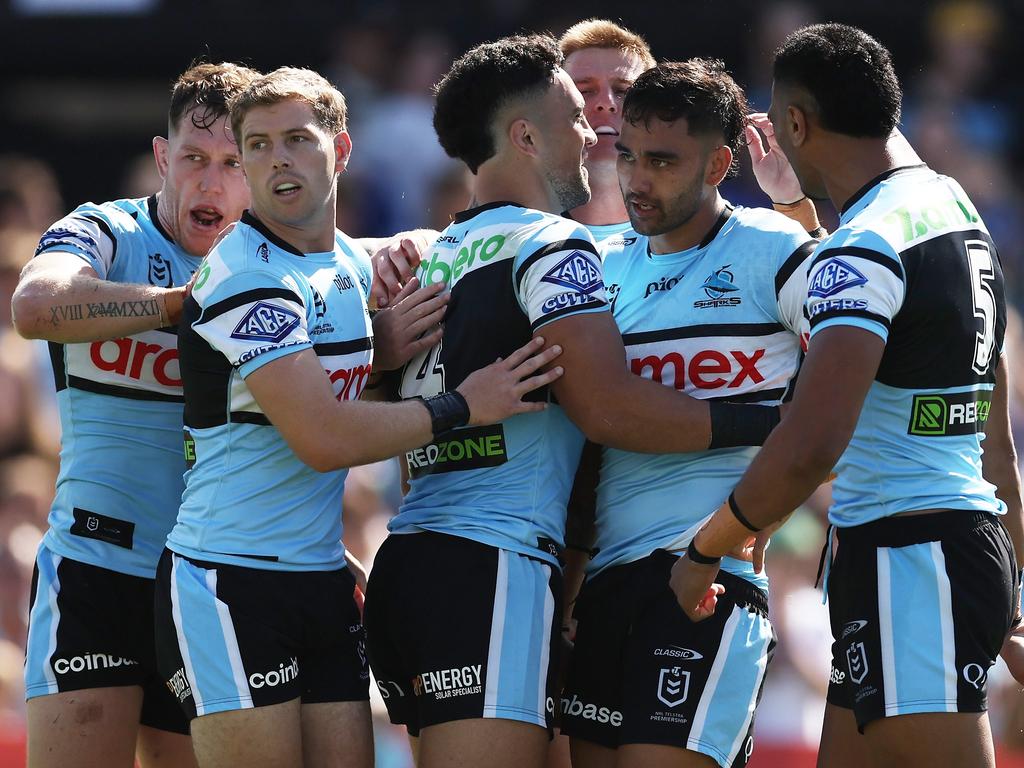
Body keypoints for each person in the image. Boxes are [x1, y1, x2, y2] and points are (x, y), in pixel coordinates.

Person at [361, 34, 787, 768]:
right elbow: (607, 410)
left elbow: (367, 409)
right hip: (496, 563)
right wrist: (777, 427)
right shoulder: (555, 245)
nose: (595, 129)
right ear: (525, 134)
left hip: (415, 561)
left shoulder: (426, 254)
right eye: (576, 112)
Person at [152, 66, 563, 768]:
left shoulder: (353, 263)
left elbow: (340, 388)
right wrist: (465, 406)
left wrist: (380, 354)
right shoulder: (244, 274)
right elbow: (322, 437)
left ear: (341, 152)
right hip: (229, 583)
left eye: (296, 140)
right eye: (257, 145)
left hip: (320, 580)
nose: (276, 159)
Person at [669, 24, 1023, 768]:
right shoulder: (951, 207)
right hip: (948, 546)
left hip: (909, 559)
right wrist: (1016, 596)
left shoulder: (865, 245)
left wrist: (711, 543)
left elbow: (813, 439)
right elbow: (993, 439)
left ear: (796, 123)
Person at [559, 59, 818, 768]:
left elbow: (851, 367)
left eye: (663, 161)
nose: (637, 180)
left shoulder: (771, 248)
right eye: (628, 158)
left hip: (708, 583)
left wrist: (762, 505)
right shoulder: (593, 263)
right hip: (606, 588)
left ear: (719, 164)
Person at [11, 61, 259, 768]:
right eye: (193, 159)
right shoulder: (106, 230)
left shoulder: (272, 265)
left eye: (232, 163)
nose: (209, 184)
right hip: (94, 567)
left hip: (209, 583)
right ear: (161, 158)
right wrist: (180, 306)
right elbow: (34, 308)